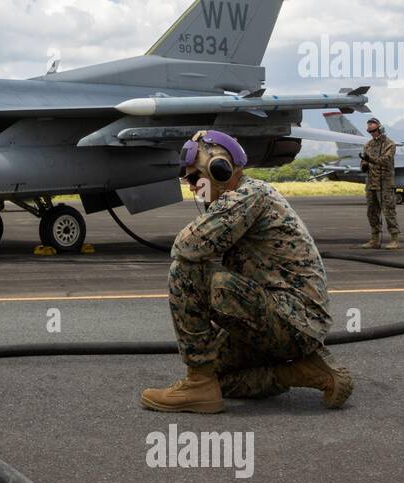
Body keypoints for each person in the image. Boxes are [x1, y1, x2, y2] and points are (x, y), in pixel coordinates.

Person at [140, 130, 353, 414]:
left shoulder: (248, 195)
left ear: (219, 169)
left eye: (194, 178)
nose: (192, 188)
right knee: (220, 377)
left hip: (291, 319)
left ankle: (198, 383)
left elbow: (186, 247)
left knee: (185, 272)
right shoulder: (239, 197)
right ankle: (303, 372)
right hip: (289, 322)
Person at [360, 117, 399, 249]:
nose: (371, 130)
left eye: (373, 127)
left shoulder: (390, 144)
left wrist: (369, 159)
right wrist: (364, 164)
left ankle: (394, 239)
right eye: (369, 129)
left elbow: (386, 160)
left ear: (380, 128)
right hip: (371, 183)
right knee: (371, 212)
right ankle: (374, 239)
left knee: (388, 211)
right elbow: (363, 163)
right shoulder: (367, 145)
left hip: (385, 184)